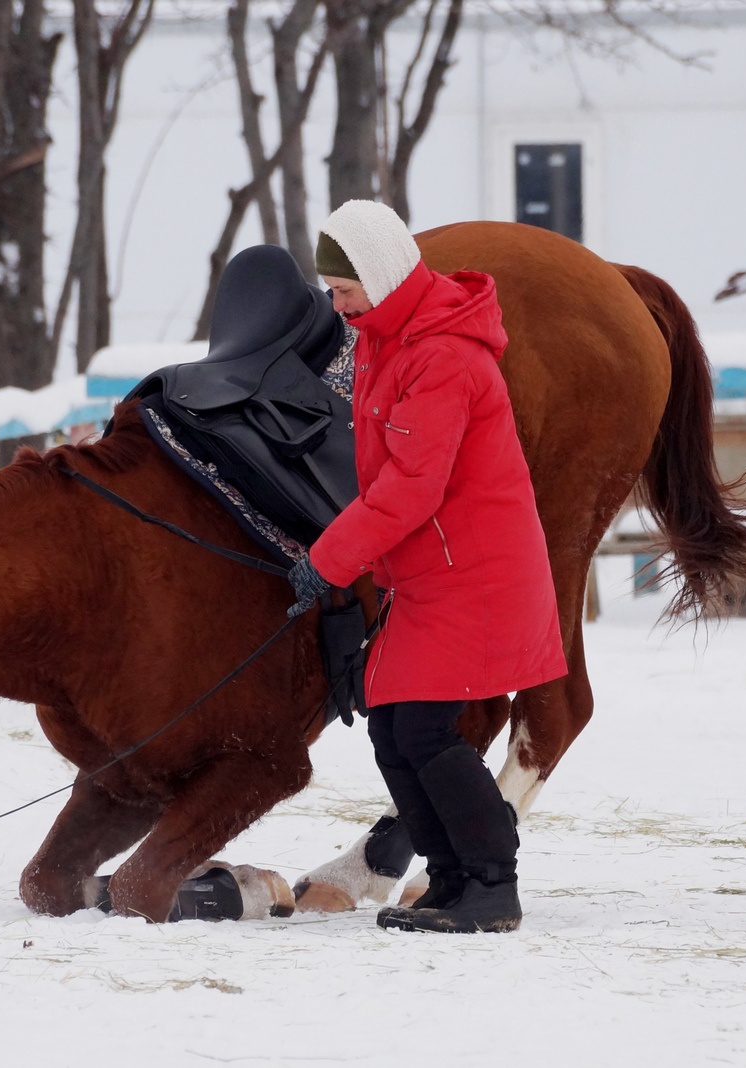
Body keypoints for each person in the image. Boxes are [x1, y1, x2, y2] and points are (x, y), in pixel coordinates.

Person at [286, 200, 567, 933]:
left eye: (344, 290)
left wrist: (329, 561)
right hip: (430, 573)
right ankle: (452, 880)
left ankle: (492, 884)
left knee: (426, 735)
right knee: (393, 730)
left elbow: (410, 486)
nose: (335, 304)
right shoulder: (386, 338)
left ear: (379, 279)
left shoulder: (442, 354)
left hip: (474, 573)